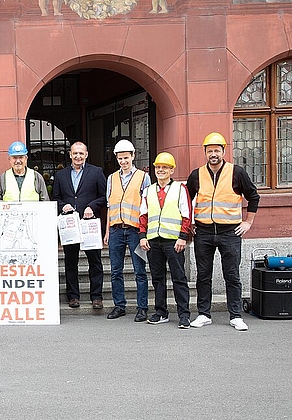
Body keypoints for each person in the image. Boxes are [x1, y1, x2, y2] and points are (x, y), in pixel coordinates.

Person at [186, 132, 260, 331]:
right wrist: (190, 223)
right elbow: (186, 201)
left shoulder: (237, 172)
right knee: (203, 275)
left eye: (217, 150)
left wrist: (248, 223)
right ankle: (203, 314)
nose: (213, 154)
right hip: (204, 232)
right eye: (210, 150)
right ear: (205, 153)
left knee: (232, 275)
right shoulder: (196, 174)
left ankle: (235, 316)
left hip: (230, 232)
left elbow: (253, 196)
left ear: (224, 151)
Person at [138, 152, 192, 329]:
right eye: (158, 167)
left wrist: (183, 237)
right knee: (158, 278)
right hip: (154, 240)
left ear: (171, 170)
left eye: (164, 167)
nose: (160, 170)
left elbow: (186, 215)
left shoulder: (180, 189)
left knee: (179, 278)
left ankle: (184, 315)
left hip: (173, 241)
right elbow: (143, 215)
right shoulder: (148, 190)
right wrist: (142, 236)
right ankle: (161, 312)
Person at [52, 142, 107, 309]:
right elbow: (55, 197)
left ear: (86, 154)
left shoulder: (96, 172)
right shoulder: (61, 175)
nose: (78, 156)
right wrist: (63, 206)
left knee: (95, 261)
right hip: (70, 225)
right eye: (75, 153)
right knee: (70, 261)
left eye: (81, 153)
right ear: (70, 155)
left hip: (89, 223)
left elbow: (105, 196)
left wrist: (92, 206)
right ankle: (73, 296)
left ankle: (96, 297)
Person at [103, 139, 151, 321]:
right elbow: (109, 206)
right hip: (115, 230)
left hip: (135, 231)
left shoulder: (143, 177)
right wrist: (107, 231)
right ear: (116, 158)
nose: (123, 161)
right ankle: (119, 306)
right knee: (116, 270)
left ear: (133, 156)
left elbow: (147, 206)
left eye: (126, 158)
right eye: (120, 158)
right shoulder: (112, 178)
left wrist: (144, 233)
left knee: (140, 270)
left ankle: (142, 307)